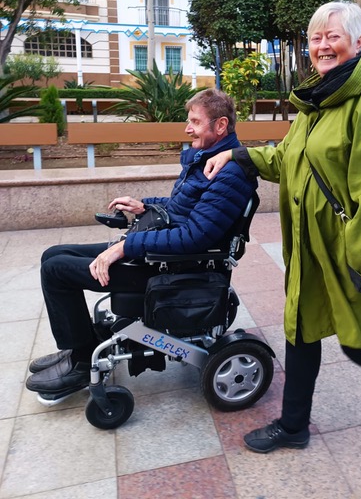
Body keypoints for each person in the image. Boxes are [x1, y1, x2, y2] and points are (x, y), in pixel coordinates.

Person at [204, 1, 361, 453]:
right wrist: (238, 155)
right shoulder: (317, 101)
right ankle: (294, 426)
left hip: (351, 247)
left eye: (333, 36)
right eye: (316, 37)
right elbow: (288, 159)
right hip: (310, 247)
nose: (322, 45)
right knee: (301, 328)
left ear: (359, 43)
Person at [26, 88, 257, 401]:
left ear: (220, 126)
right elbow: (180, 207)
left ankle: (81, 361)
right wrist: (143, 205)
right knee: (52, 254)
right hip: (162, 254)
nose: (187, 128)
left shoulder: (229, 174)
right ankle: (78, 345)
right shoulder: (209, 159)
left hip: (174, 265)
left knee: (56, 270)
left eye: (194, 122)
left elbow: (194, 237)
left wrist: (123, 247)